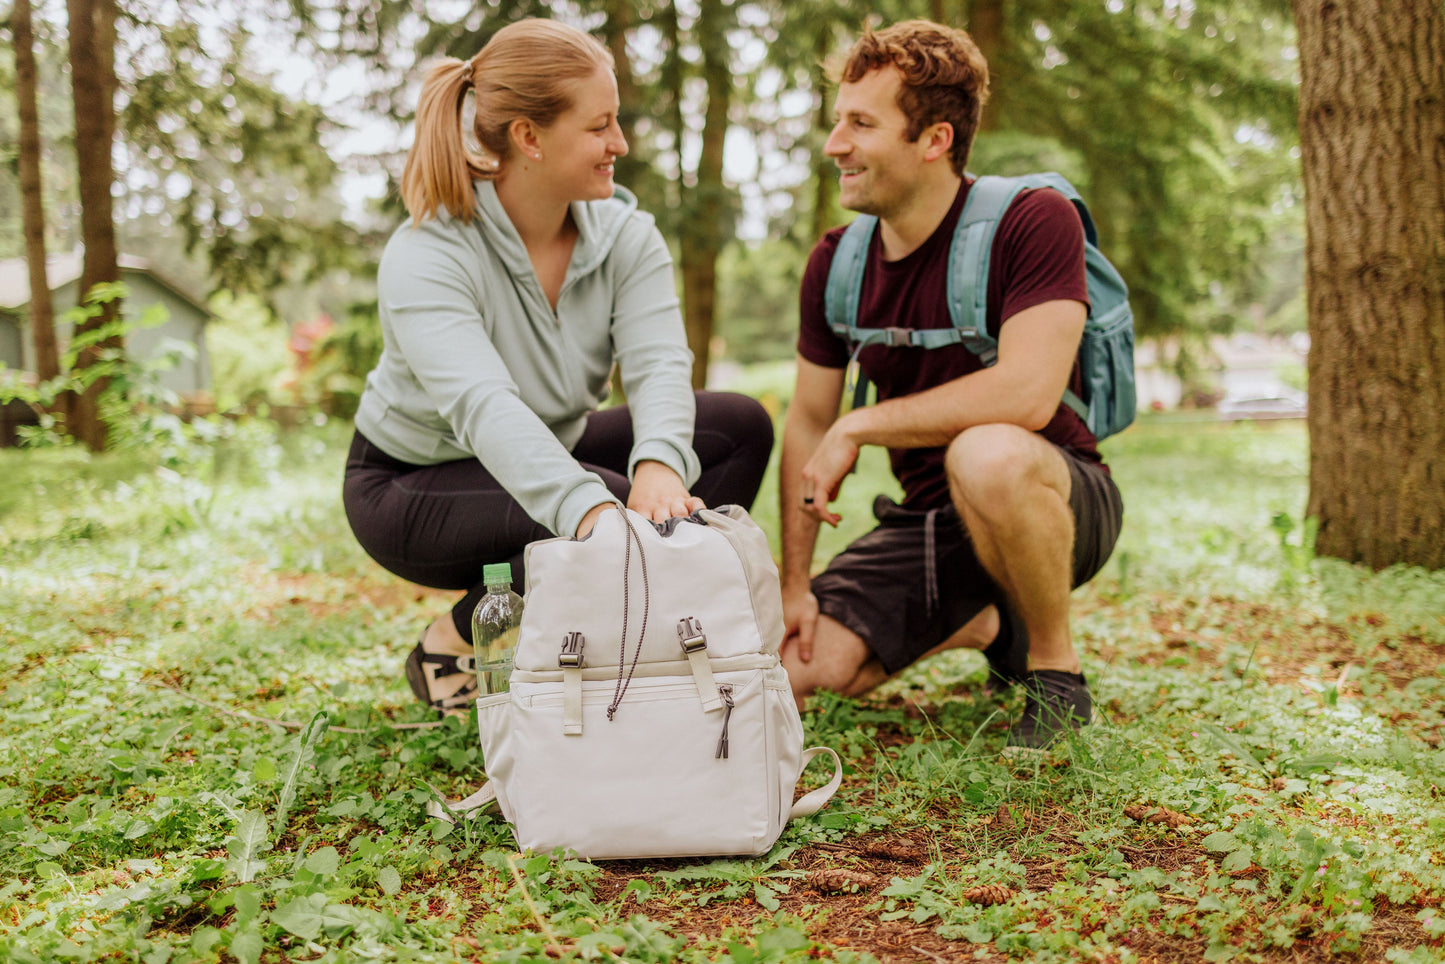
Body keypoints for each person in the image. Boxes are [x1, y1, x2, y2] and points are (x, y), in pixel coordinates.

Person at [343, 19, 773, 716]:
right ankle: (451, 642)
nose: (619, 144)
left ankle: (625, 629)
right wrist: (593, 510)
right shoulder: (428, 252)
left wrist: (662, 462)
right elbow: (485, 406)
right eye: (599, 126)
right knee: (599, 500)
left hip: (551, 444)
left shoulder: (625, 237)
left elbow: (660, 360)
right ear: (529, 137)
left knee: (736, 428)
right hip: (408, 486)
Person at [779, 20, 1124, 750]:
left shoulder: (1034, 220)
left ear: (933, 139)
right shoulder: (836, 264)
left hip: (1055, 497)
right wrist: (794, 586)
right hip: (933, 524)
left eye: (860, 124)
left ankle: (1054, 670)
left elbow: (1028, 394)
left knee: (986, 453)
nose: (833, 144)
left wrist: (860, 424)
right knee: (798, 670)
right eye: (836, 120)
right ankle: (986, 619)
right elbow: (808, 419)